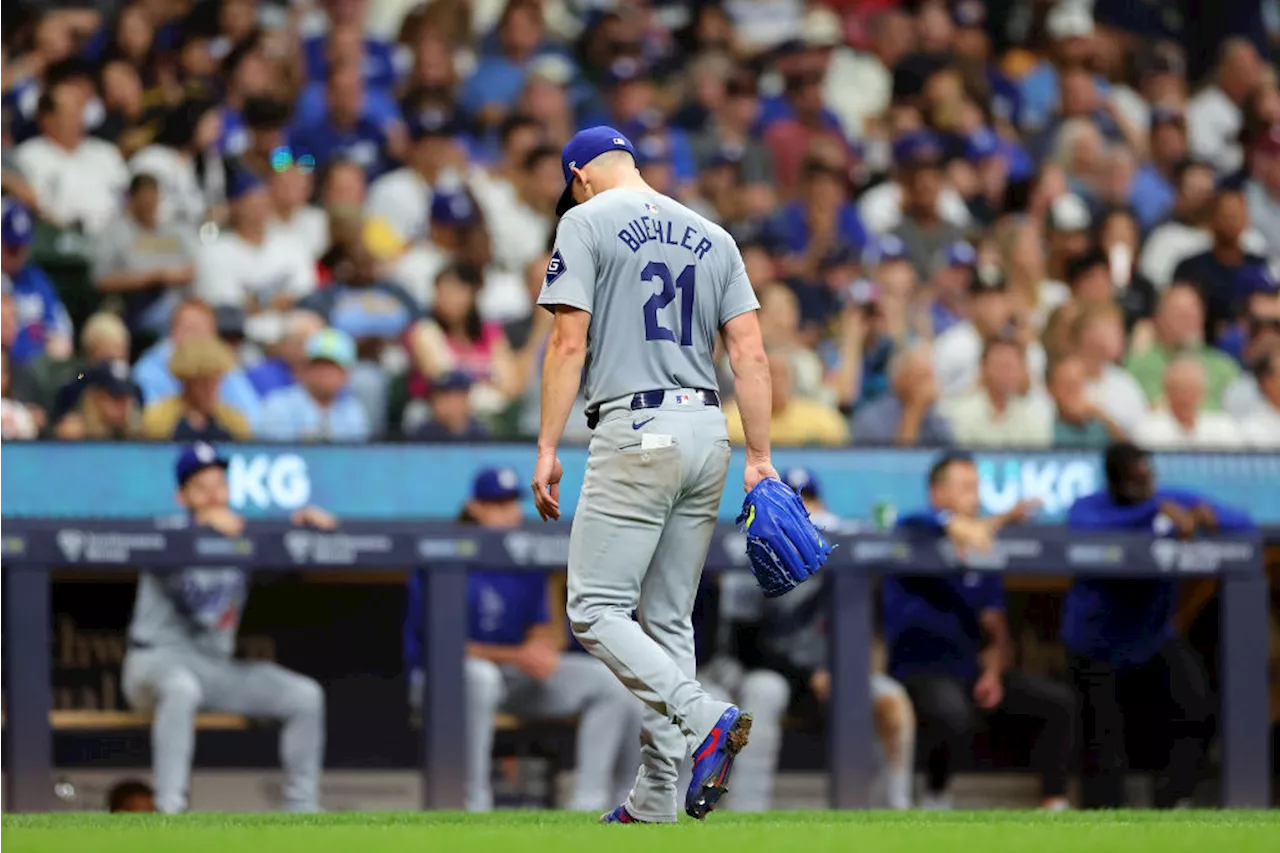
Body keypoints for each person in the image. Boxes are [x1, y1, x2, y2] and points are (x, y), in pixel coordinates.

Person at [531, 126, 776, 823]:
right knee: (667, 619)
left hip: (637, 428)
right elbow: (751, 354)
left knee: (595, 608)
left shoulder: (584, 219)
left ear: (579, 174)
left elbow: (567, 340)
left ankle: (707, 716)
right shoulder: (713, 232)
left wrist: (548, 444)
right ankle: (658, 797)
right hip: (708, 430)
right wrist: (759, 457)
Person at [403, 467, 642, 812]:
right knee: (479, 677)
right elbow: (442, 648)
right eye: (496, 503)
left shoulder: (523, 557)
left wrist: (537, 648)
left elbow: (542, 628)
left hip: (512, 681)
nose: (509, 512)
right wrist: (516, 655)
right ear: (475, 507)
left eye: (512, 502)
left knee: (608, 682)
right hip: (442, 682)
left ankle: (591, 805)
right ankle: (471, 804)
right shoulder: (443, 554)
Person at [122, 444, 331, 814]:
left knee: (305, 696)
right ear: (181, 496)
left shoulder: (241, 534)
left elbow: (285, 556)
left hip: (214, 667)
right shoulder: (167, 530)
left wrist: (303, 527)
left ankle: (303, 810)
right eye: (201, 487)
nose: (214, 494)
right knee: (181, 688)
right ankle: (170, 810)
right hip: (154, 663)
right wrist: (202, 529)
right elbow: (147, 547)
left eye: (219, 484)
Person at [706, 468, 916, 811]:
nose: (805, 515)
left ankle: (894, 809)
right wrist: (808, 675)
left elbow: (896, 537)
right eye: (793, 505)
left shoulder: (841, 549)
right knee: (765, 691)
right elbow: (745, 646)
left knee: (891, 698)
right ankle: (746, 810)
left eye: (810, 504)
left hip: (833, 673)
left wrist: (839, 672)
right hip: (770, 671)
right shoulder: (752, 550)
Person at [1065, 442, 1252, 807]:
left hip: (1151, 638)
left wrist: (1204, 517)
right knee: (1102, 741)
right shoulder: (1090, 507)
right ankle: (1103, 825)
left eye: (1148, 478)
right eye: (1136, 481)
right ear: (1115, 482)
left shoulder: (1170, 498)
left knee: (1196, 707)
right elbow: (1085, 530)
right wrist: (1154, 511)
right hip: (1095, 642)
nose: (1147, 486)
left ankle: (1171, 801)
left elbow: (1241, 521)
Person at [889, 453, 1074, 811]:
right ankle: (936, 794)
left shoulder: (983, 549)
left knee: (1058, 703)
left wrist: (992, 673)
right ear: (937, 493)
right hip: (921, 669)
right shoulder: (914, 532)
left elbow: (996, 626)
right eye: (964, 488)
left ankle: (1054, 801)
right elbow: (920, 521)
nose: (973, 496)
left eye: (976, 488)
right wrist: (989, 520)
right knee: (951, 711)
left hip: (970, 670)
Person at [93, 173, 197, 337]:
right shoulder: (115, 232)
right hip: (136, 308)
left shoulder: (174, 231)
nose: (148, 204)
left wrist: (171, 275)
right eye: (143, 198)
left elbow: (192, 269)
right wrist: (150, 278)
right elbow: (101, 281)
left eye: (153, 197)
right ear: (132, 199)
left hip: (178, 303)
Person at [258, 329, 371, 442]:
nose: (324, 374)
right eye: (318, 365)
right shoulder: (278, 405)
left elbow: (357, 455)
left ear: (345, 375)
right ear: (305, 369)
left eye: (332, 367)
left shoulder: (352, 409)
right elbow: (274, 453)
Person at [940, 338, 1053, 447]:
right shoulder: (959, 415)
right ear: (983, 367)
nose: (1006, 373)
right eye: (1000, 365)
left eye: (1011, 366)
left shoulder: (1034, 417)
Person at [0, 197, 73, 365]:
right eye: (12, 248)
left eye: (22, 246)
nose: (19, 255)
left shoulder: (35, 278)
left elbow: (62, 336)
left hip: (37, 371)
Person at [140, 338, 252, 441]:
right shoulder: (159, 418)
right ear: (187, 381)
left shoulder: (234, 421)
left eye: (216, 381)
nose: (211, 389)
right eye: (203, 383)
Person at [724, 354, 848, 447]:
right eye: (769, 374)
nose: (776, 382)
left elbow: (838, 443)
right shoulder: (730, 418)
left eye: (782, 375)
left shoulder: (819, 417)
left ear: (792, 380)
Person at [1133, 357, 1243, 449]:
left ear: (1203, 393)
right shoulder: (1149, 429)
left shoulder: (1222, 427)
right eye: (1178, 389)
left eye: (1192, 390)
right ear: (1166, 391)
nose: (1185, 397)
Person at [852, 345, 952, 446]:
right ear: (900, 379)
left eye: (931, 379)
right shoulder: (870, 419)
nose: (930, 387)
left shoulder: (934, 420)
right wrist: (914, 410)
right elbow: (898, 459)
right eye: (922, 379)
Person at [52, 359, 142, 440]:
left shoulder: (139, 436)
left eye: (128, 397)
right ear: (95, 398)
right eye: (116, 397)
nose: (124, 404)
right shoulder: (74, 436)